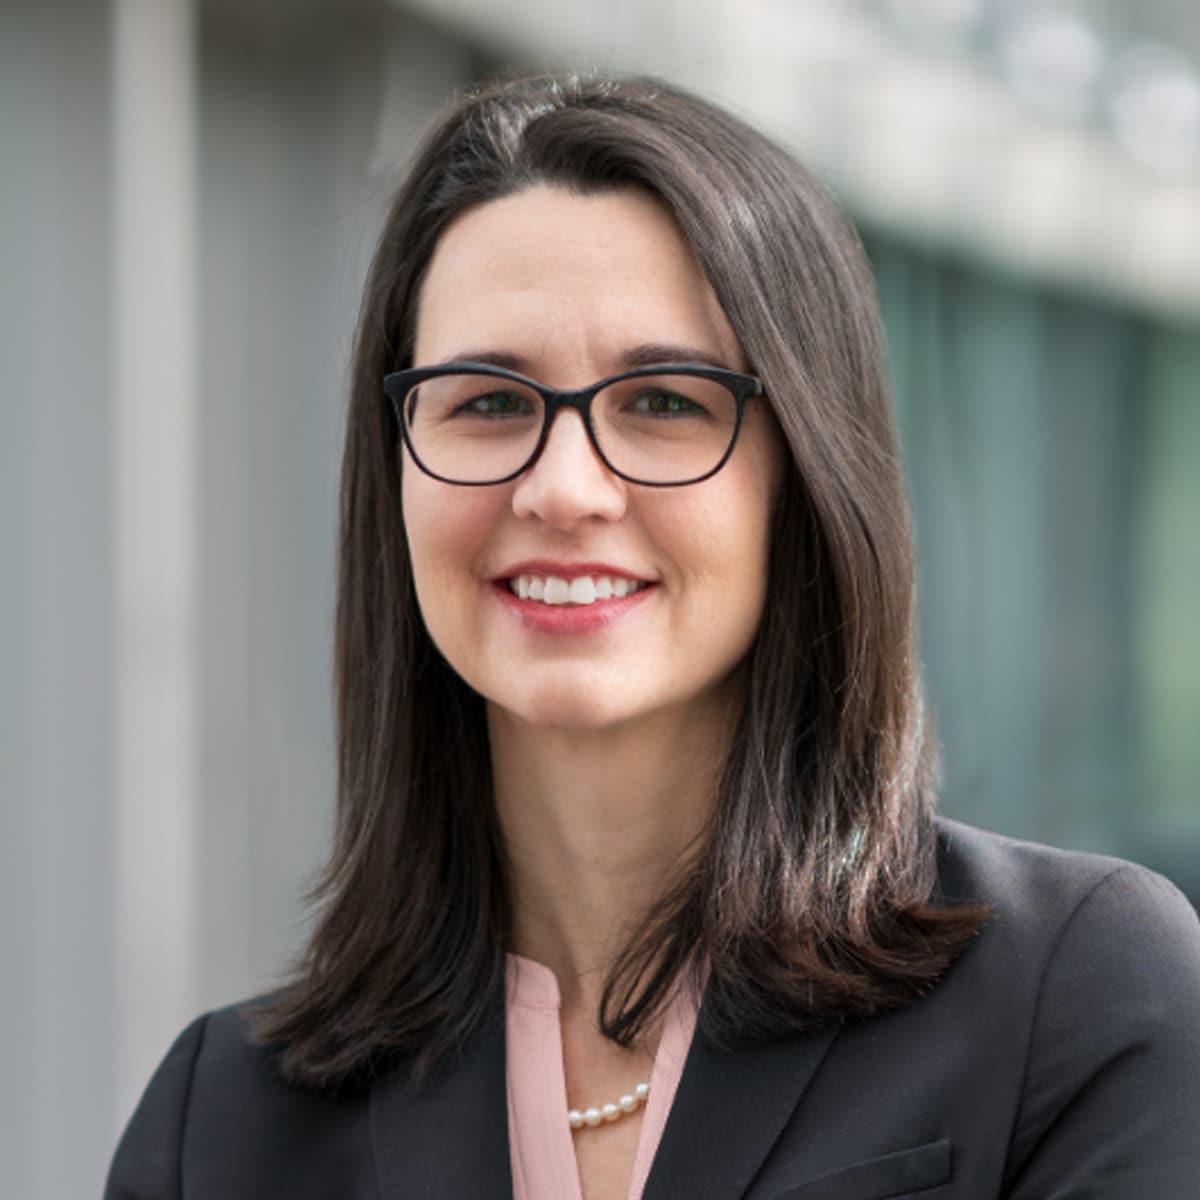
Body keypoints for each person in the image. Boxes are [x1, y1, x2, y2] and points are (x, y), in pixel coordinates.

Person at [106, 73, 1200, 1200]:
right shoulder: (226, 1125)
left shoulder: (1076, 999)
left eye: (666, 401)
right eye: (486, 401)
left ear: (808, 477)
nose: (564, 487)